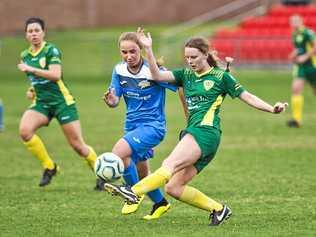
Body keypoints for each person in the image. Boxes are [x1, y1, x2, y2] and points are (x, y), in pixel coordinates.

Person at [104, 29, 288, 226]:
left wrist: (271, 108)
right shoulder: (185, 75)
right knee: (174, 187)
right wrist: (148, 49)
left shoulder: (220, 77)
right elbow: (156, 76)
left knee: (169, 164)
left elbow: (247, 96)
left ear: (205, 55)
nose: (190, 61)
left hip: (204, 132)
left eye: (194, 57)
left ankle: (132, 192)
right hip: (201, 137)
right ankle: (218, 209)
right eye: (187, 58)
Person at [102, 32, 177, 220]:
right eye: (124, 52)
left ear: (141, 50)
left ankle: (133, 195)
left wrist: (190, 111)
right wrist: (111, 100)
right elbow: (115, 99)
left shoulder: (154, 70)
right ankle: (161, 203)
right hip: (132, 127)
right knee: (140, 171)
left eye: (133, 51)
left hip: (153, 127)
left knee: (119, 151)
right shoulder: (119, 70)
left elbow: (180, 85)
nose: (129, 56)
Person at [17, 17, 99, 188]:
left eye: (36, 30)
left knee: (78, 146)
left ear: (43, 32)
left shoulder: (51, 51)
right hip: (42, 103)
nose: (33, 34)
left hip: (62, 102)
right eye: (30, 31)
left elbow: (55, 75)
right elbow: (35, 79)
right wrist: (32, 90)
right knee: (25, 131)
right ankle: (49, 166)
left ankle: (102, 173)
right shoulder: (25, 56)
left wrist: (31, 69)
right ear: (26, 35)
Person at [287, 14, 316, 128]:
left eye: (296, 21)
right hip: (301, 67)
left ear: (301, 21)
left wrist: (305, 56)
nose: (294, 23)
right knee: (296, 89)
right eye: (292, 21)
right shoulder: (294, 35)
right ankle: (297, 120)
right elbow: (299, 49)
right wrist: (293, 55)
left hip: (313, 66)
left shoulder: (308, 33)